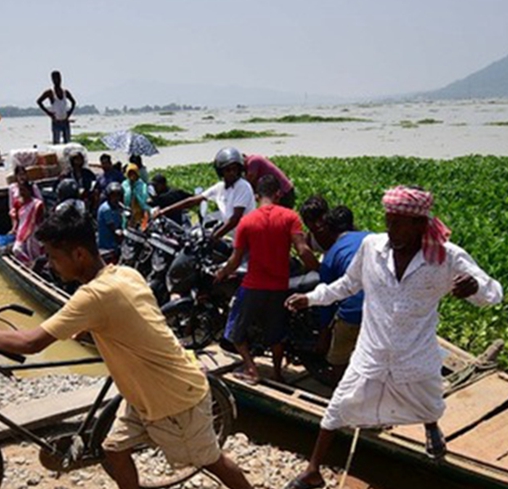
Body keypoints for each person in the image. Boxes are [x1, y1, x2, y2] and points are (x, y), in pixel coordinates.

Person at [0, 206, 285, 489]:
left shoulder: (93, 295)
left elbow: (31, 342)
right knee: (113, 448)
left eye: (55, 258)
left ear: (80, 254)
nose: (52, 265)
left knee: (207, 459)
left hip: (173, 395)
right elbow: (126, 319)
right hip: (143, 391)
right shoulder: (123, 274)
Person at [279, 186, 503, 489]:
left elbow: (494, 293)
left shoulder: (446, 256)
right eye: (388, 221)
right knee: (336, 408)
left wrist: (475, 287)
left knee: (429, 401)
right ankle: (312, 471)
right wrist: (312, 298)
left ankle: (431, 427)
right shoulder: (372, 247)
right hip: (372, 349)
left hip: (415, 350)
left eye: (398, 223)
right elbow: (347, 284)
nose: (390, 228)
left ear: (420, 225)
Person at [214, 175, 319, 383]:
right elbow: (303, 250)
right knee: (276, 334)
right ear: (278, 194)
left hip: (253, 285)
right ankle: (278, 373)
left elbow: (235, 260)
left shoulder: (247, 221)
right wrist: (322, 270)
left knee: (234, 330)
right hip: (279, 286)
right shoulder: (290, 217)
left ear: (256, 195)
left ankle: (251, 368)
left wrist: (222, 273)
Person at [153, 147, 255, 242]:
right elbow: (193, 201)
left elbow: (235, 219)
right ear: (221, 172)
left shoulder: (242, 186)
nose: (232, 172)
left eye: (235, 169)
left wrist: (215, 236)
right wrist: (164, 211)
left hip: (245, 238)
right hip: (230, 235)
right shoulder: (220, 187)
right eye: (228, 170)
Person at [314, 206, 370, 373]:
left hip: (354, 311)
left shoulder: (331, 255)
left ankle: (339, 390)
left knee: (338, 360)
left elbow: (326, 301)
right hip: (383, 307)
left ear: (330, 231)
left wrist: (323, 337)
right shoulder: (372, 238)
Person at [10, 165, 45, 264]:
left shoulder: (36, 203)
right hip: (22, 231)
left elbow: (41, 218)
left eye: (23, 190)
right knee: (17, 250)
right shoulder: (17, 202)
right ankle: (29, 264)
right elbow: (15, 215)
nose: (21, 193)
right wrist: (14, 228)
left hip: (34, 231)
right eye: (20, 191)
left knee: (35, 252)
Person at [36, 70, 76, 144]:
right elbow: (39, 101)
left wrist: (69, 113)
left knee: (68, 144)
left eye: (59, 78)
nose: (57, 80)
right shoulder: (50, 92)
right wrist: (49, 113)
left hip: (65, 121)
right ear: (52, 80)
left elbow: (73, 102)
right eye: (55, 78)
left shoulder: (65, 92)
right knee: (56, 143)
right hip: (56, 122)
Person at [97, 182, 124, 259]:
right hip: (108, 245)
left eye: (118, 195)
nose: (116, 198)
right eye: (113, 196)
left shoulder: (117, 207)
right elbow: (114, 229)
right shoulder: (106, 209)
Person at [121, 163, 151, 228]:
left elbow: (144, 198)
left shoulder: (142, 185)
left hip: (138, 212)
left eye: (134, 173)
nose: (132, 176)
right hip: (127, 211)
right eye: (130, 174)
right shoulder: (124, 184)